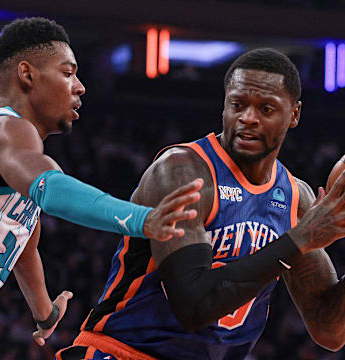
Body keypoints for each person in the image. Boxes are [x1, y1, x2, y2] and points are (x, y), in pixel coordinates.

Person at [55, 48, 345, 360]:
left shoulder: (294, 198)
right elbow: (193, 307)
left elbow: (329, 329)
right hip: (123, 352)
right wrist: (300, 239)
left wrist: (301, 239)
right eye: (238, 105)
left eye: (266, 109)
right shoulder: (183, 173)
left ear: (294, 115)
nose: (248, 118)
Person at [0, 17, 203, 346]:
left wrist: (46, 313)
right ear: (27, 75)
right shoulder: (5, 129)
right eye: (67, 72)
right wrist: (144, 219)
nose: (80, 86)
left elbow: (21, 244)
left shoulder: (15, 163)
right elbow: (53, 189)